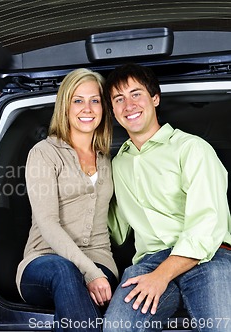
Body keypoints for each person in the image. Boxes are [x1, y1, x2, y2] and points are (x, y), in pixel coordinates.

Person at [104, 63, 231, 332]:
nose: (129, 105)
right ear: (113, 111)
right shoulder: (117, 164)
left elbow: (207, 225)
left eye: (136, 94)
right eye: (119, 99)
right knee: (117, 328)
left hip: (210, 257)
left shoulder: (192, 149)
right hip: (149, 261)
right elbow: (114, 230)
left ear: (155, 98)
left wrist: (161, 276)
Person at [16, 68, 118, 332]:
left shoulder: (106, 158)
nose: (88, 108)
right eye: (78, 100)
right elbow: (47, 223)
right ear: (65, 106)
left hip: (99, 259)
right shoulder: (44, 153)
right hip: (44, 261)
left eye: (95, 100)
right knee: (65, 272)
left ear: (103, 108)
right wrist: (90, 272)